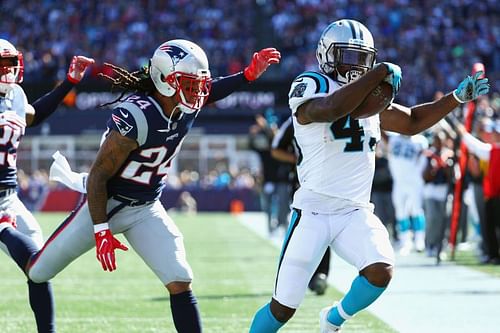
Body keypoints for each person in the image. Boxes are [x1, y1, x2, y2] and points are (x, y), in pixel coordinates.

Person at [0, 39, 280, 333]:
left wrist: (248, 75)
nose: (198, 92)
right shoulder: (138, 115)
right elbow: (98, 177)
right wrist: (101, 229)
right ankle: (6, 231)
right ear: (165, 81)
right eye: (190, 84)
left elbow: (213, 90)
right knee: (38, 271)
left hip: (146, 208)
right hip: (107, 204)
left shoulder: (185, 103)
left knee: (179, 277)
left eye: (199, 84)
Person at [248, 18, 489, 333]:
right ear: (326, 54)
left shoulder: (369, 96)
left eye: (363, 58)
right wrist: (377, 75)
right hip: (313, 211)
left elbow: (413, 121)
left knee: (381, 271)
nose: (355, 66)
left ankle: (333, 319)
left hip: (355, 210)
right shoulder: (311, 83)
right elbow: (331, 108)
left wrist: (455, 98)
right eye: (347, 56)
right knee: (282, 310)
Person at [0, 38, 94, 333]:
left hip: (8, 197)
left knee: (40, 267)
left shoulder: (13, 94)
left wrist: (68, 82)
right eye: (2, 65)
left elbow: (35, 114)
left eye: (11, 63)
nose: (9, 70)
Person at [271, 116, 331, 296]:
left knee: (326, 229)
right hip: (302, 184)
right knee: (306, 230)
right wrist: (299, 160)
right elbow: (276, 150)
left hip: (331, 182)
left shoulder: (335, 111)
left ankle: (320, 274)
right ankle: (305, 275)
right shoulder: (293, 121)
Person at [452, 117, 500, 264]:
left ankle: (493, 255)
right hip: (492, 195)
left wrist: (463, 133)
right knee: (490, 226)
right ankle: (493, 254)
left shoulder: (494, 150)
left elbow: (475, 146)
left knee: (492, 226)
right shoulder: (493, 149)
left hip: (494, 195)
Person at [385, 132, 429, 254]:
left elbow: (424, 160)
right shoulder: (392, 138)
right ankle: (405, 241)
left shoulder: (420, 140)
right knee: (400, 212)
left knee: (416, 210)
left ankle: (420, 240)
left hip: (414, 181)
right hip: (398, 182)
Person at [422, 131, 453, 260]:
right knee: (432, 218)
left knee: (443, 220)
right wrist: (432, 169)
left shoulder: (449, 155)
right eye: (436, 140)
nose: (438, 143)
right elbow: (424, 176)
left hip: (444, 191)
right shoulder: (429, 155)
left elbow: (453, 176)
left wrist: (446, 167)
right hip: (431, 190)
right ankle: (430, 245)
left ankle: (441, 246)